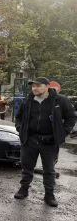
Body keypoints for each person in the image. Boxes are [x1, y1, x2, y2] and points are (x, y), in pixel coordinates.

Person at [14, 77, 77, 207]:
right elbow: (19, 117)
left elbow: (71, 117)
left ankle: (49, 194)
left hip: (49, 141)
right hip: (29, 139)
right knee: (26, 166)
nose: (35, 88)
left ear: (47, 86)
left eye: (38, 85)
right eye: (33, 86)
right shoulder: (28, 101)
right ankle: (24, 189)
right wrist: (20, 129)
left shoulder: (60, 100)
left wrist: (62, 132)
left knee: (49, 169)